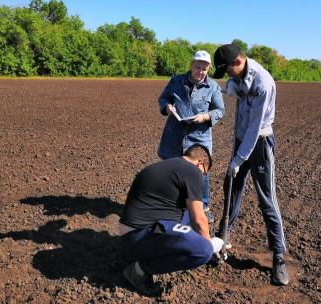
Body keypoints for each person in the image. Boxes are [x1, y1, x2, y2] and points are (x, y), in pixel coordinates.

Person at [213, 44, 289, 285]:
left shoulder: (263, 84)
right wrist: (231, 87)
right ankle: (222, 239)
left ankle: (278, 257)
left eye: (227, 71)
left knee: (267, 199)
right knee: (231, 187)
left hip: (259, 144)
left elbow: (255, 129)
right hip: (241, 139)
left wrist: (238, 158)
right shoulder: (241, 75)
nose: (227, 76)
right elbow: (233, 88)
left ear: (237, 62)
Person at [119, 144, 224, 296]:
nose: (202, 177)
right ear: (200, 163)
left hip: (133, 234)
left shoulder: (172, 166)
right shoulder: (192, 170)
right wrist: (210, 245)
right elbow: (199, 220)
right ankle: (138, 271)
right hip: (139, 237)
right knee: (203, 251)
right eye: (204, 173)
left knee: (193, 217)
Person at [157, 50, 225, 226]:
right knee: (172, 170)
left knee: (200, 173)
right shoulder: (176, 81)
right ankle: (173, 205)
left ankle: (204, 208)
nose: (200, 71)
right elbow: (163, 98)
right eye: (197, 67)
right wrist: (167, 107)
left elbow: (220, 111)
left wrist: (205, 116)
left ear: (208, 68)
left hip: (199, 138)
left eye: (204, 68)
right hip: (175, 135)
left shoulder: (213, 87)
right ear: (191, 65)